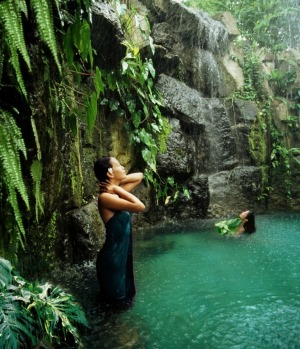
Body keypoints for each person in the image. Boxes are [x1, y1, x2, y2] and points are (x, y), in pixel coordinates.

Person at [93, 156, 145, 307]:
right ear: (110, 172)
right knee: (116, 304)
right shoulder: (106, 197)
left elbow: (139, 176)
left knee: (124, 301)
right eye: (119, 165)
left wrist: (115, 184)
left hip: (119, 257)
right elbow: (140, 206)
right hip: (112, 260)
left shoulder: (115, 194)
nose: (123, 167)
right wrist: (115, 187)